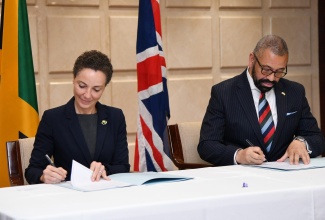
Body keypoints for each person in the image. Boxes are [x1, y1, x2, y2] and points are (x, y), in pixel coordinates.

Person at [198, 35, 325, 166]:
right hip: (242, 179)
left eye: (279, 72)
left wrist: (302, 143)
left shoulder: (295, 92)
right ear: (252, 59)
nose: (271, 78)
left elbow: (317, 139)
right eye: (266, 70)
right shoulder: (223, 93)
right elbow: (207, 145)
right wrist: (238, 155)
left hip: (285, 178)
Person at [25, 50, 130, 184]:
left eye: (96, 89)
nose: (87, 95)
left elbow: (123, 167)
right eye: (82, 86)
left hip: (106, 197)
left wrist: (105, 169)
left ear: (104, 88)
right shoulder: (52, 118)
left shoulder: (116, 117)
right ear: (73, 79)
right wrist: (43, 176)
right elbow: (32, 170)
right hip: (68, 199)